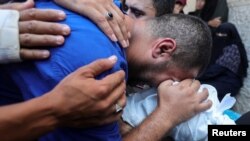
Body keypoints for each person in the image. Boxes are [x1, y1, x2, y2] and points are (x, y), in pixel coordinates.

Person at [0, 0, 213, 140]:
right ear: (163, 49)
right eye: (171, 80)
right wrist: (168, 115)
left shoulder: (93, 10)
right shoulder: (99, 65)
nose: (162, 87)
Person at [198, 23, 249, 100]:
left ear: (231, 35)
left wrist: (196, 76)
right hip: (214, 78)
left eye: (224, 34)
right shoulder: (216, 45)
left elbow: (215, 70)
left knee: (199, 89)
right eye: (219, 33)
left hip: (228, 82)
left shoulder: (233, 49)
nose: (220, 36)